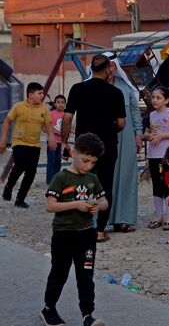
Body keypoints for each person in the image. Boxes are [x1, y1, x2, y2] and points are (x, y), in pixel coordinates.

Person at [40, 133, 107, 326]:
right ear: (74, 152)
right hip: (64, 234)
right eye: (85, 161)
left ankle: (87, 315)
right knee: (59, 272)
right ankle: (48, 309)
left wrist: (96, 206)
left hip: (86, 234)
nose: (88, 166)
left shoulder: (92, 179)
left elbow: (104, 201)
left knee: (85, 273)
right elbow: (50, 206)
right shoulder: (61, 177)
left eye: (93, 162)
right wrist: (75, 205)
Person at [62, 54, 126, 243]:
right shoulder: (115, 93)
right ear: (107, 70)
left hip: (84, 146)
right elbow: (121, 123)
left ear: (91, 69)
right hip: (106, 146)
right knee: (105, 186)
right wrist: (108, 128)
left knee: (80, 185)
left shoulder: (77, 89)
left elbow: (67, 118)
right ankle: (99, 231)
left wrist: (65, 142)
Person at [0, 82, 56, 208]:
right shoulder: (19, 107)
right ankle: (9, 187)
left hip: (35, 145)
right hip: (19, 142)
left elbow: (48, 126)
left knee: (31, 172)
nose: (42, 95)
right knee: (20, 165)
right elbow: (7, 122)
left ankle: (20, 199)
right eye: (39, 93)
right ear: (30, 94)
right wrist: (3, 139)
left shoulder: (44, 109)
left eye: (42, 93)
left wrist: (51, 136)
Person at [107, 57, 143, 233]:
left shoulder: (125, 86)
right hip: (104, 136)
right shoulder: (95, 86)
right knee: (106, 176)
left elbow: (135, 111)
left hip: (127, 136)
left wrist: (138, 133)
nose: (111, 69)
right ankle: (102, 219)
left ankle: (123, 218)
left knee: (126, 176)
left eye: (113, 65)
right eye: (108, 65)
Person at [143, 86, 169, 230]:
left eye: (158, 97)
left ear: (166, 100)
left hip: (167, 156)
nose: (154, 100)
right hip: (153, 155)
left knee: (168, 184)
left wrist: (162, 136)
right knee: (157, 185)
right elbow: (145, 133)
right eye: (153, 97)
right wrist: (149, 136)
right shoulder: (150, 116)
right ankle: (158, 215)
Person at [46, 94, 66, 184]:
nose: (60, 104)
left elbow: (67, 128)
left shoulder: (66, 115)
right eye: (58, 102)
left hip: (61, 143)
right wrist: (53, 132)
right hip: (52, 141)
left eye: (62, 102)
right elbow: (45, 127)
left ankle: (56, 180)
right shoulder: (50, 114)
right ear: (54, 103)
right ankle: (49, 181)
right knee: (51, 161)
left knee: (58, 161)